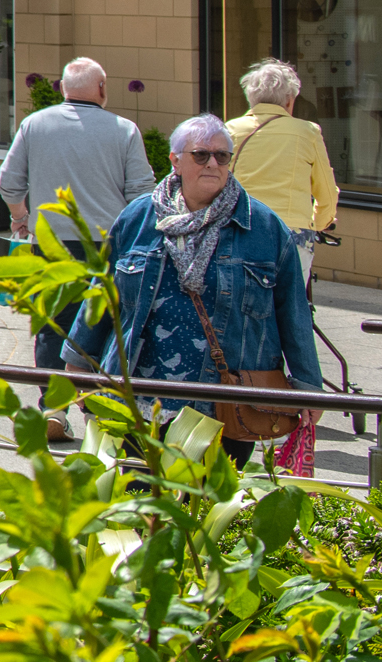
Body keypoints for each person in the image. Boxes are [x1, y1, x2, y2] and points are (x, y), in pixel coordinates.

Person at [65, 115, 322, 469]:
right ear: (176, 161)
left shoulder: (264, 229)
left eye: (222, 156)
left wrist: (309, 387)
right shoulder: (139, 218)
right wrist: (76, 364)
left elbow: (293, 311)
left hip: (225, 405)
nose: (213, 163)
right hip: (141, 399)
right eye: (201, 155)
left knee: (205, 510)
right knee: (141, 501)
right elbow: (102, 293)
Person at [0, 56, 157, 436]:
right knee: (105, 326)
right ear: (101, 89)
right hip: (108, 247)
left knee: (54, 327)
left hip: (50, 245)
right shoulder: (124, 129)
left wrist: (20, 215)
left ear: (63, 88)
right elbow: (143, 191)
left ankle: (54, 409)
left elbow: (8, 181)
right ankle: (101, 413)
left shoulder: (34, 124)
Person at [227, 57, 339, 295]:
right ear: (290, 99)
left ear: (251, 97)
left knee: (241, 303)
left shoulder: (230, 130)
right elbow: (326, 190)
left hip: (242, 228)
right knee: (290, 308)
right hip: (292, 231)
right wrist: (320, 223)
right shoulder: (307, 132)